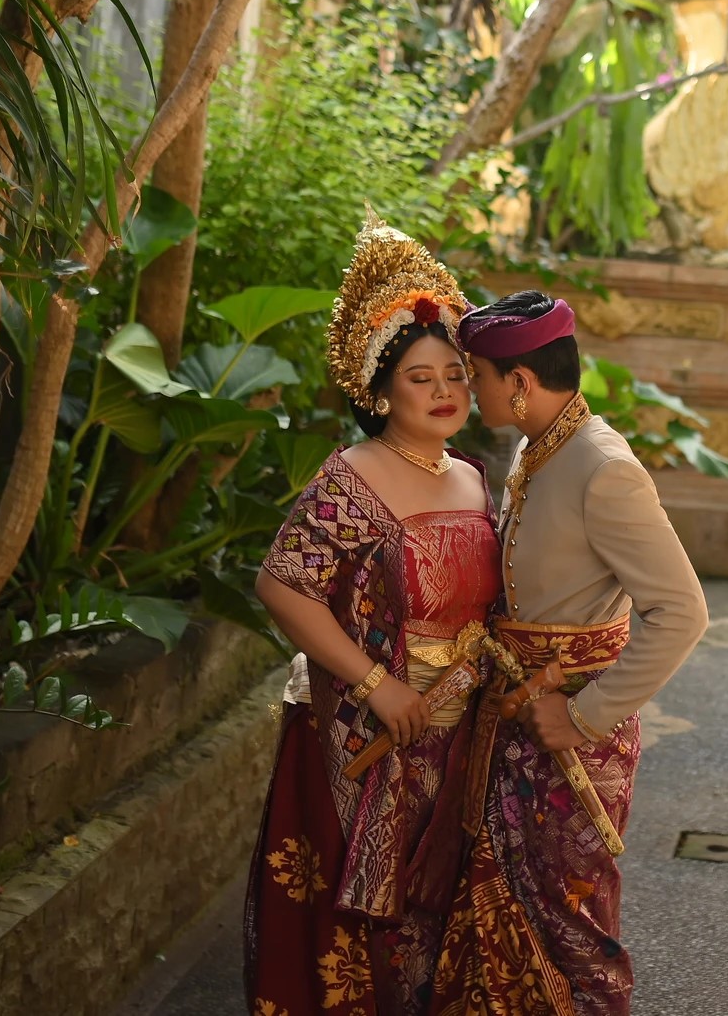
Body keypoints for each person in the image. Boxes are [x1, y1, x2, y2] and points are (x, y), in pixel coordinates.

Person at [429, 290, 710, 1016]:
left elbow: (682, 612)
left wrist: (584, 717)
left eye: (477, 375)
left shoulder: (602, 466)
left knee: (571, 923)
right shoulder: (538, 444)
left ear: (520, 382)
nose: (469, 389)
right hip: (517, 717)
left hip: (572, 740)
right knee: (501, 915)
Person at [244, 220, 500, 1016]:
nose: (444, 390)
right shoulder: (351, 478)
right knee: (358, 940)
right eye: (421, 377)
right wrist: (376, 684)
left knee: (442, 924)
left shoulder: (474, 478)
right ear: (380, 390)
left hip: (459, 735)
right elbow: (282, 584)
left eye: (455, 373)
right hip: (370, 737)